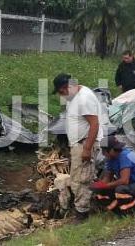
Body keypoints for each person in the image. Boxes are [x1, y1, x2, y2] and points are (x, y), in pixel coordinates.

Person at [52, 73, 103, 221]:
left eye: (61, 92)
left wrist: (87, 149)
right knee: (77, 178)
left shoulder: (83, 98)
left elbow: (94, 123)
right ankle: (84, 207)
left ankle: (82, 214)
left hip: (85, 144)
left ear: (66, 87)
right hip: (78, 144)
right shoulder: (73, 96)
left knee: (82, 180)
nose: (61, 95)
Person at [90, 136, 135, 216]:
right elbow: (107, 179)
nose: (117, 151)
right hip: (130, 188)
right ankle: (121, 213)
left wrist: (105, 185)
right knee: (100, 192)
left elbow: (124, 180)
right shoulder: (110, 160)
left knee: (120, 189)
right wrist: (97, 186)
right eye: (115, 149)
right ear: (106, 152)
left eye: (117, 148)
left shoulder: (125, 155)